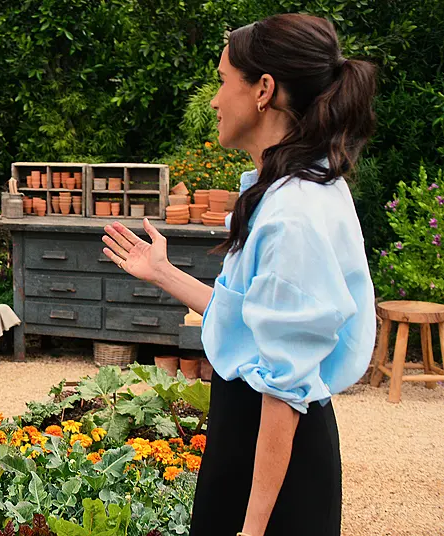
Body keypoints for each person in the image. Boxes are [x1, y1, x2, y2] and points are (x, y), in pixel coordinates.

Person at [101, 14, 376, 536]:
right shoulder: (288, 189)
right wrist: (163, 273)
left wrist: (250, 530)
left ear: (263, 91)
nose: (214, 100)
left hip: (275, 462)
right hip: (252, 437)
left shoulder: (293, 213)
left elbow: (284, 392)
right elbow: (254, 322)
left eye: (224, 80)